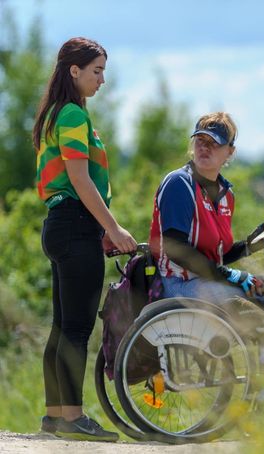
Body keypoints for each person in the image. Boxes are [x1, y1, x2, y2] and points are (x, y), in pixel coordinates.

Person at [34, 37, 136, 442]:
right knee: (75, 329)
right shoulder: (73, 115)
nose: (102, 80)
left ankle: (56, 415)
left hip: (58, 225)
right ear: (74, 71)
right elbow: (79, 179)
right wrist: (113, 228)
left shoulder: (53, 115)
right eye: (97, 71)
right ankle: (74, 418)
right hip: (76, 225)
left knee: (62, 328)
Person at [148, 112, 264, 325]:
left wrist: (248, 246)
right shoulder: (179, 183)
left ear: (230, 152)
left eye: (214, 143)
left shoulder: (226, 196)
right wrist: (233, 276)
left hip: (207, 281)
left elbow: (215, 257)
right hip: (179, 285)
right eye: (200, 141)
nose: (205, 148)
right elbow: (175, 249)